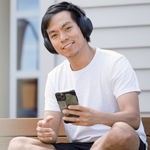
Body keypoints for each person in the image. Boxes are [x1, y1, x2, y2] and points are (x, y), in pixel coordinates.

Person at [8, 1, 147, 150]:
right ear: (50, 43)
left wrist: (97, 118)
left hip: (119, 142)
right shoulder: (55, 76)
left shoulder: (115, 62)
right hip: (79, 146)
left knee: (121, 131)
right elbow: (52, 132)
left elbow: (133, 118)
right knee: (18, 144)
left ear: (83, 27)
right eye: (54, 35)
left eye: (67, 28)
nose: (63, 38)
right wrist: (46, 133)